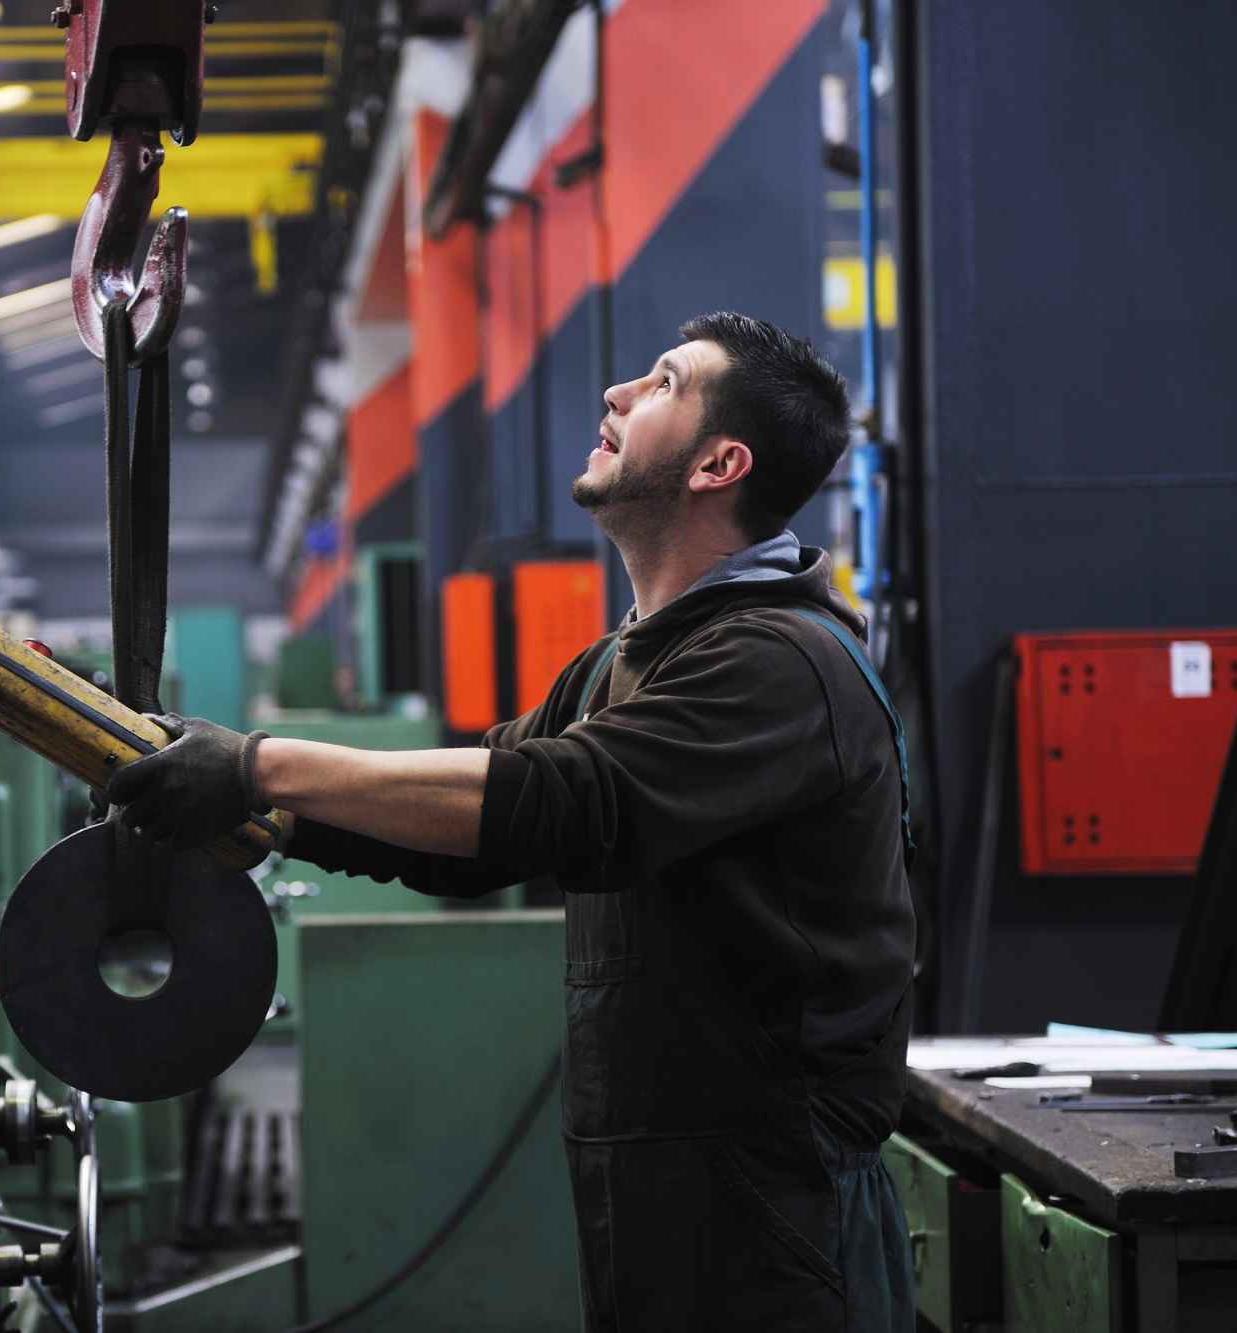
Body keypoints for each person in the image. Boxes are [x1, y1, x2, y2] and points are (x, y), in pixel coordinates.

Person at [108, 312, 917, 1331]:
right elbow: (478, 835)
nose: (617, 394)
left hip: (777, 1205)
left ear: (719, 463)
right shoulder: (621, 663)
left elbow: (562, 799)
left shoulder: (778, 661)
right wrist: (254, 802)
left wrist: (260, 764)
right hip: (663, 1189)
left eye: (662, 382)